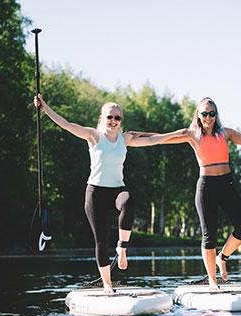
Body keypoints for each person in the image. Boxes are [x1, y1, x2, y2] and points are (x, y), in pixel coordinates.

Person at [34, 94, 187, 293]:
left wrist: (177, 133)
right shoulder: (94, 136)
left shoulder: (125, 139)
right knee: (101, 239)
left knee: (128, 202)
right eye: (110, 117)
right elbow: (67, 124)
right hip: (95, 192)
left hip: (117, 190)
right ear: (102, 118)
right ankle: (107, 284)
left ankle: (122, 249)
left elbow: (153, 140)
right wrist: (44, 108)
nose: (113, 121)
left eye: (117, 118)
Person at [156, 97, 241, 290]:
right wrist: (134, 138)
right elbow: (162, 138)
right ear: (198, 116)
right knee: (209, 236)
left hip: (226, 184)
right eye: (204, 114)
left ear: (216, 115)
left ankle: (222, 257)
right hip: (206, 186)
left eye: (212, 113)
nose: (208, 117)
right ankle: (212, 281)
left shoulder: (225, 133)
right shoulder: (192, 134)